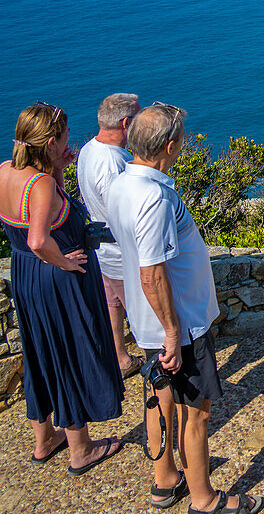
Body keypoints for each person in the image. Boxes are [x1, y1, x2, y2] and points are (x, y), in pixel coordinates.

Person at [107, 103, 264, 514]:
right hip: (180, 326)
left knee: (161, 401)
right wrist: (175, 334)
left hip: (147, 323)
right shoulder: (155, 198)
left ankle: (165, 482)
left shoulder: (122, 184)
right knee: (196, 415)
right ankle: (205, 499)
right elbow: (151, 272)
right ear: (171, 145)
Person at [0, 102, 124, 475]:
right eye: (67, 137)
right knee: (69, 352)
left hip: (25, 276)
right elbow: (40, 239)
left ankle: (44, 439)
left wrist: (58, 169)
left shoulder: (6, 171)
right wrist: (67, 262)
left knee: (41, 353)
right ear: (52, 141)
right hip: (56, 279)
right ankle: (80, 449)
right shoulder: (40, 185)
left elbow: (38, 222)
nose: (71, 141)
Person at [77, 92, 142, 378]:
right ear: (126, 122)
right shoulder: (114, 162)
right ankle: (160, 368)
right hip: (120, 253)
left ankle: (120, 358)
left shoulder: (89, 149)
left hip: (100, 248)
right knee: (142, 315)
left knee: (111, 303)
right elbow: (124, 211)